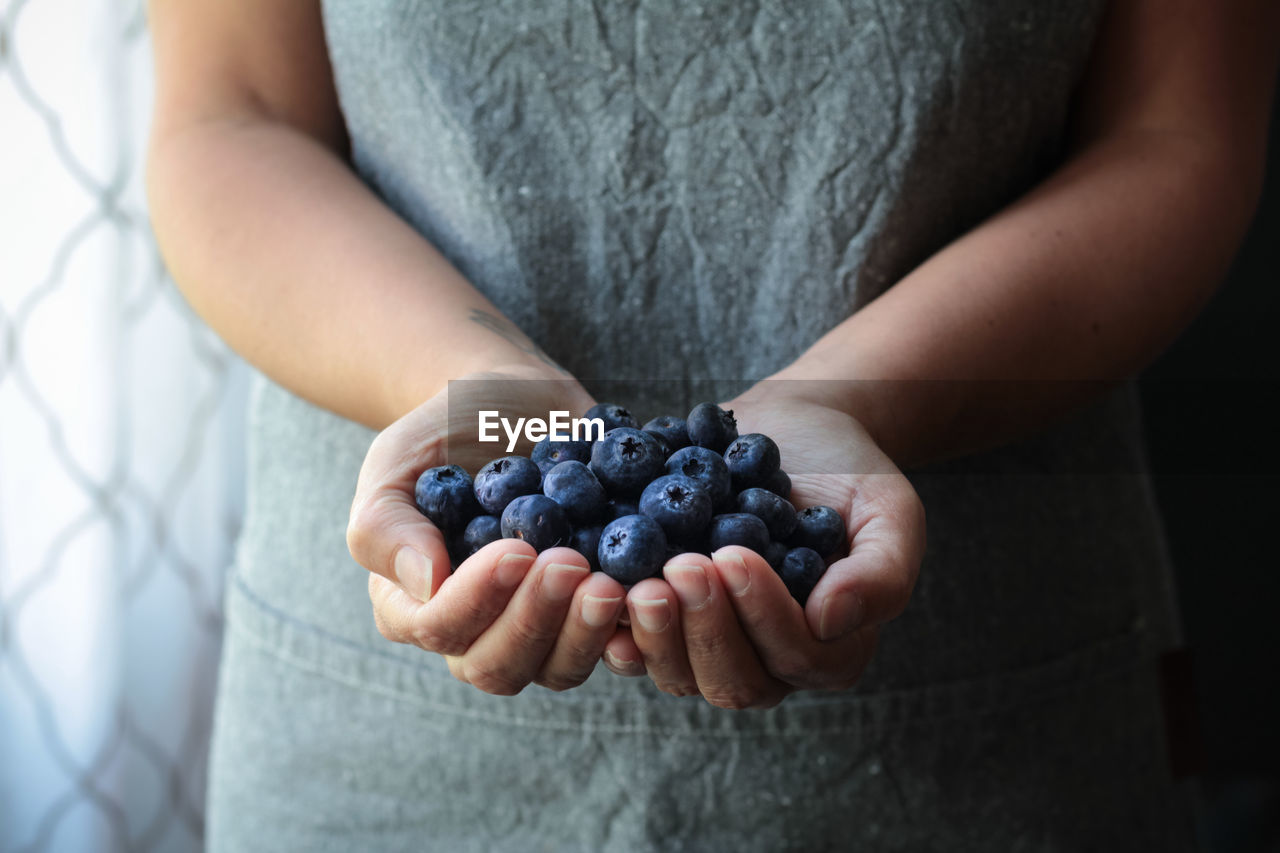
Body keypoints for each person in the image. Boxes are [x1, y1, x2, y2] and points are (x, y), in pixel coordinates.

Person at [146, 0, 1278, 849]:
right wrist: (475, 386)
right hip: (385, 734)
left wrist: (847, 400)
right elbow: (232, 116)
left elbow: (1171, 135)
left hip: (997, 702)